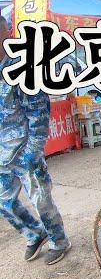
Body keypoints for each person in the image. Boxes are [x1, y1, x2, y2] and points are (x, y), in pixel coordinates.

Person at [0, 15, 71, 264]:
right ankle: (34, 233)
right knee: (4, 202)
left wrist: (33, 150)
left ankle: (58, 240)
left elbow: (39, 113)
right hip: (0, 154)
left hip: (24, 150)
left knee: (41, 199)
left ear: (5, 32)